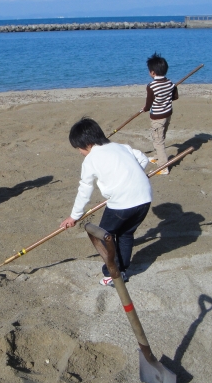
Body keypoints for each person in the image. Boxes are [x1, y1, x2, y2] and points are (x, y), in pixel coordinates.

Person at [59, 118, 152, 286]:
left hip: (121, 204)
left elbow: (85, 189)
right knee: (125, 234)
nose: (80, 152)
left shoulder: (91, 159)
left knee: (103, 235)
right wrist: (133, 176)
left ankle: (112, 272)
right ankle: (122, 270)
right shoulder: (121, 147)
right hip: (144, 199)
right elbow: (144, 159)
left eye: (79, 148)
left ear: (87, 144)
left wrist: (74, 216)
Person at [143, 52, 178, 175]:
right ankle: (158, 156)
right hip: (167, 114)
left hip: (157, 116)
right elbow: (175, 97)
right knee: (161, 136)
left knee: (158, 140)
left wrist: (145, 109)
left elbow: (149, 104)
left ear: (152, 72)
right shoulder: (170, 83)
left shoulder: (151, 86)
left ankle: (163, 166)